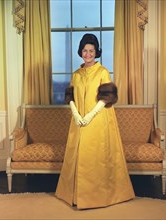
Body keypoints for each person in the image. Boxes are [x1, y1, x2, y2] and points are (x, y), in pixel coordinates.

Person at [55, 33, 135, 209]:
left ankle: (97, 197)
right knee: (78, 158)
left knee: (95, 159)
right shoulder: (76, 74)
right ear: (80, 52)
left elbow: (107, 97)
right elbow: (70, 96)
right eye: (85, 50)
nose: (88, 54)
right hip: (78, 122)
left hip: (98, 121)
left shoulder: (102, 71)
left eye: (91, 50)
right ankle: (76, 196)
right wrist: (76, 114)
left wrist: (90, 115)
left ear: (96, 52)